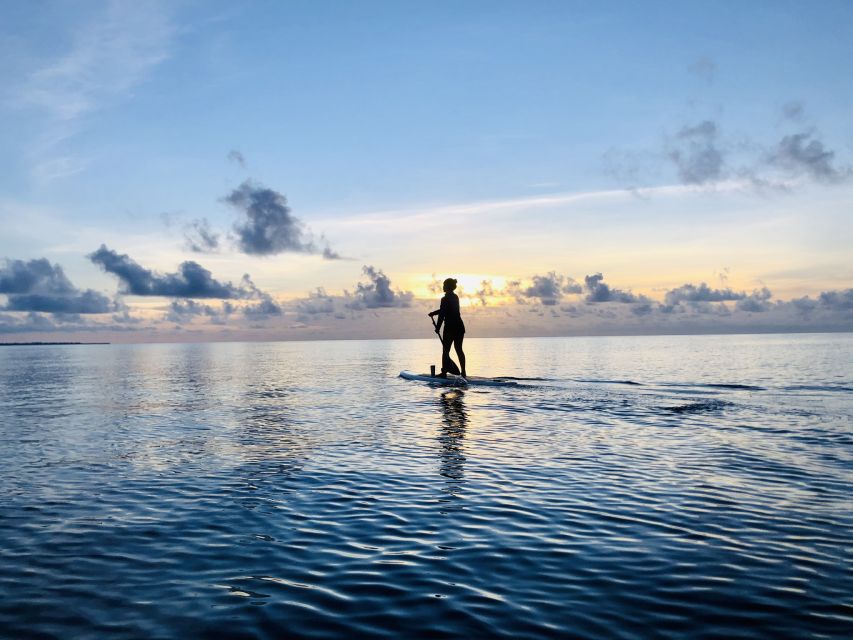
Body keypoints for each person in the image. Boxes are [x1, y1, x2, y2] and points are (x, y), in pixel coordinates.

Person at [428, 278, 467, 378]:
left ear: (448, 287)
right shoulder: (455, 297)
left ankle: (444, 372)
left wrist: (438, 327)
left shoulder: (444, 299)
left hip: (450, 328)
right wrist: (434, 313)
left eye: (444, 285)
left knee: (446, 350)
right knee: (459, 349)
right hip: (459, 326)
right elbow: (444, 310)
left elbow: (442, 314)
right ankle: (463, 372)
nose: (443, 287)